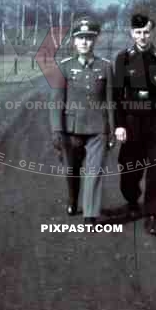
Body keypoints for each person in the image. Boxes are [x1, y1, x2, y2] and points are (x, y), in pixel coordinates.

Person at [114, 13, 156, 235]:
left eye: (146, 32)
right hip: (132, 121)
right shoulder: (123, 58)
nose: (142, 36)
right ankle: (132, 201)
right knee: (129, 168)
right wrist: (119, 125)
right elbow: (117, 95)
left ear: (152, 33)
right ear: (131, 33)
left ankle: (153, 215)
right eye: (138, 32)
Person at [50, 18, 115, 225]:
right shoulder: (64, 67)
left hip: (98, 128)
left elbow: (111, 101)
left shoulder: (105, 67)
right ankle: (72, 198)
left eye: (89, 39)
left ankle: (90, 214)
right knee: (72, 170)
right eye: (80, 39)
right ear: (74, 42)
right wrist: (57, 131)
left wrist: (111, 130)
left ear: (94, 41)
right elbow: (56, 101)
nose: (85, 43)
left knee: (94, 172)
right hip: (72, 129)